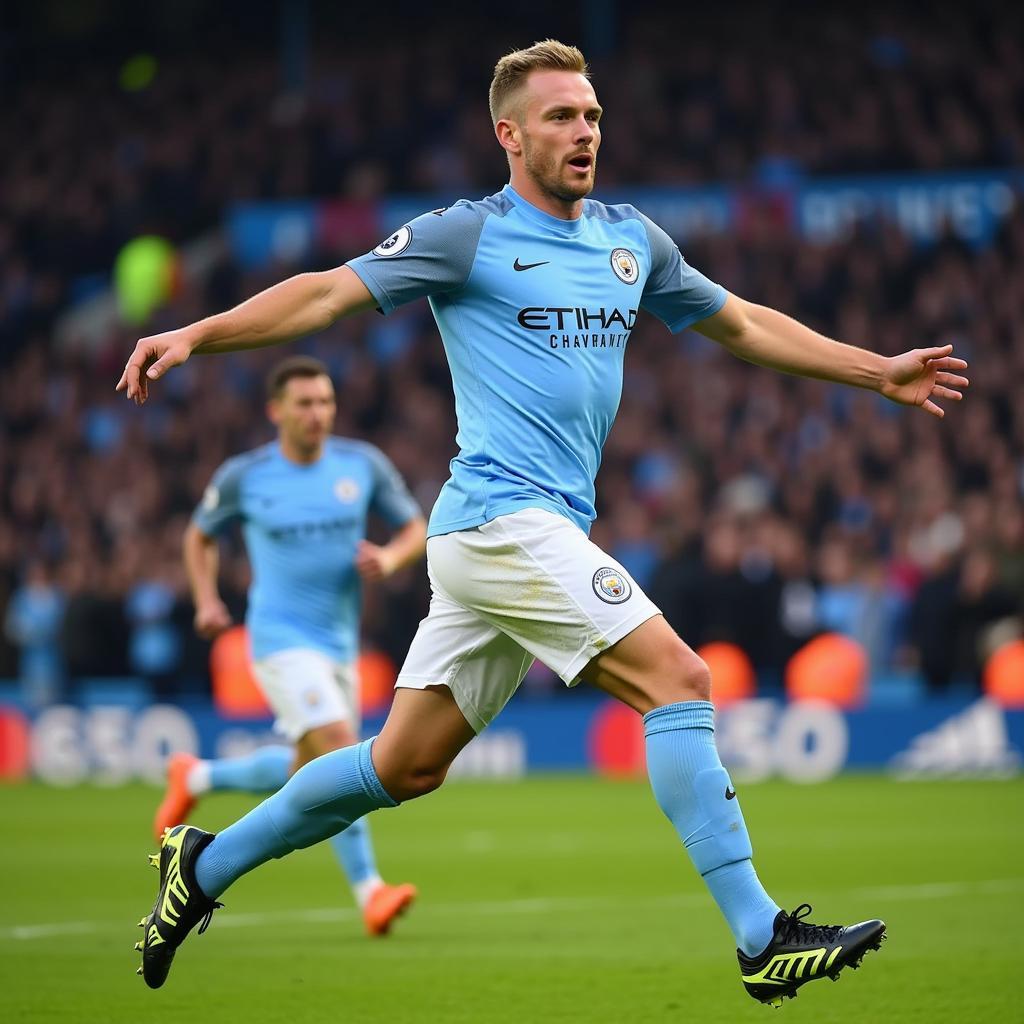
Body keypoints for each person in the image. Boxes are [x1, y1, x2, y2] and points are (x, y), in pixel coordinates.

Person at [120, 41, 969, 1004]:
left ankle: (202, 865)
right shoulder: (465, 235)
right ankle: (759, 935)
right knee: (679, 680)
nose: (585, 133)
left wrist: (875, 370)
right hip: (500, 522)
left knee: (402, 765)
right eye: (563, 117)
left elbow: (743, 323)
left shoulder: (632, 241)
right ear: (509, 134)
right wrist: (196, 331)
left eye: (594, 117)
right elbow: (323, 294)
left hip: (518, 533)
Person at [152, 355, 427, 938]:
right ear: (276, 410)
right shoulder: (245, 476)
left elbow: (416, 527)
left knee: (311, 770)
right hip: (278, 639)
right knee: (341, 754)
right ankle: (370, 891)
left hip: (339, 645)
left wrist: (391, 557)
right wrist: (205, 598)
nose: (317, 414)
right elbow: (199, 535)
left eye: (325, 402)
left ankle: (196, 778)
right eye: (304, 403)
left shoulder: (362, 465)